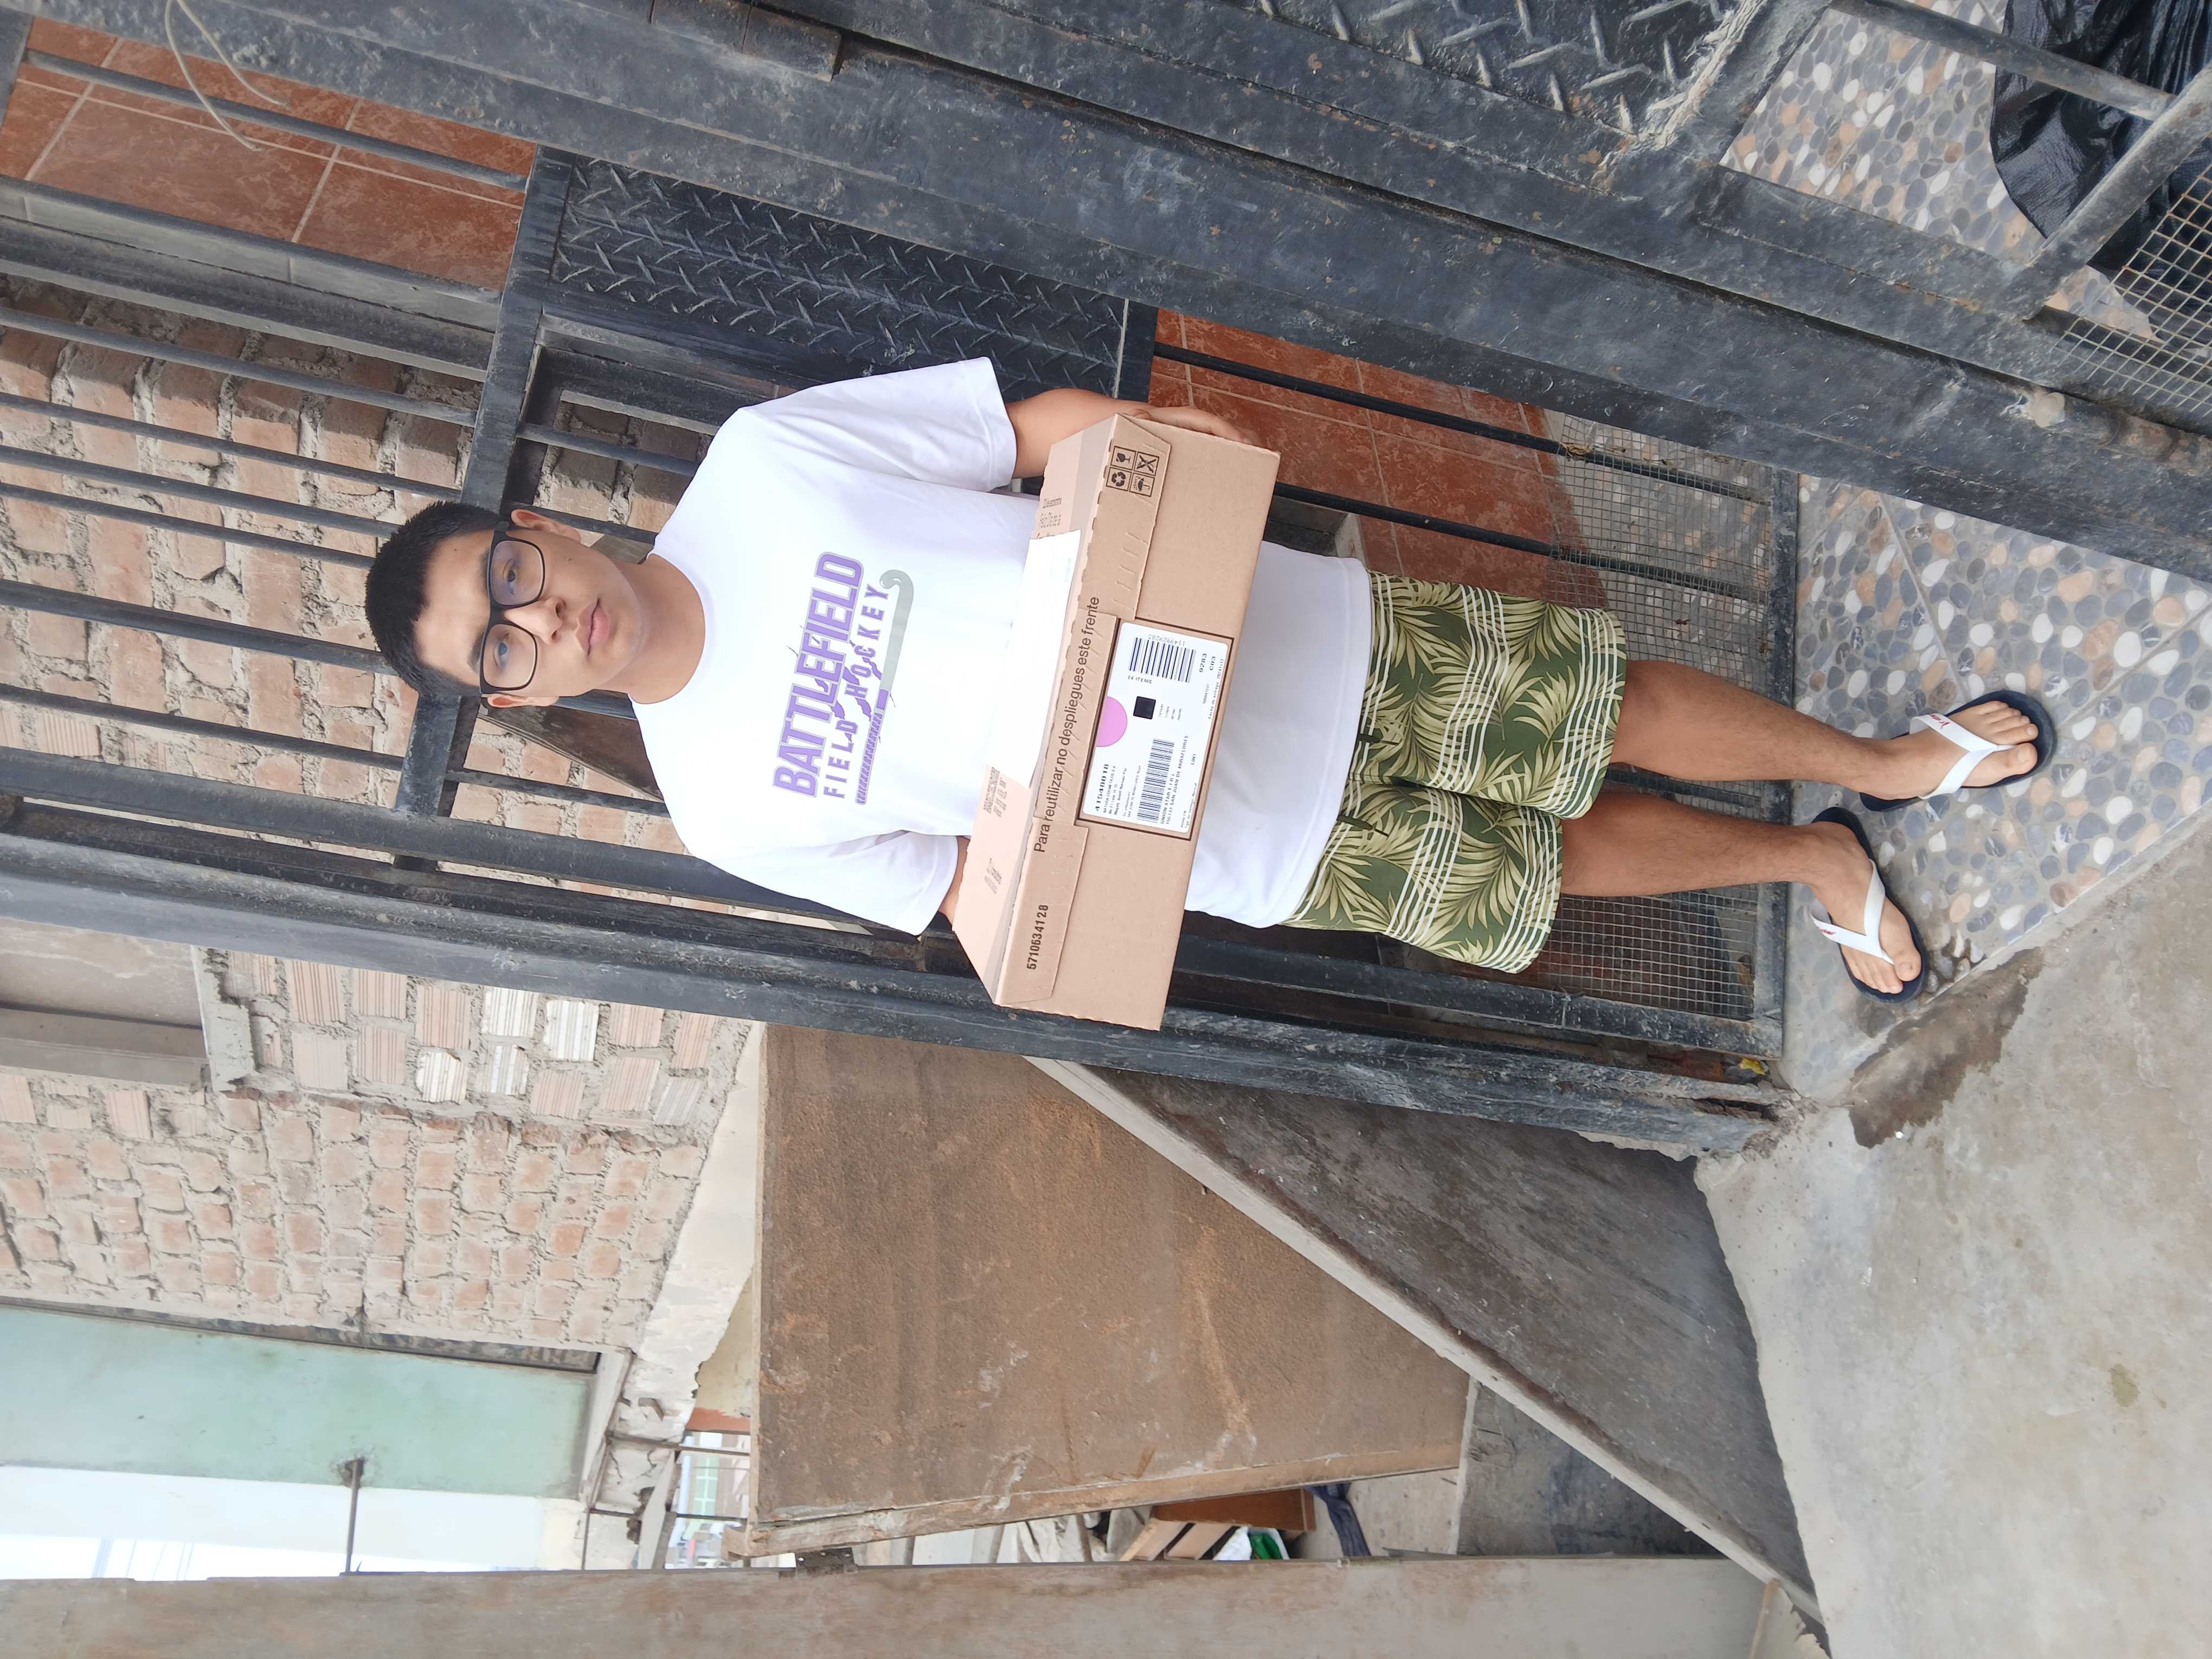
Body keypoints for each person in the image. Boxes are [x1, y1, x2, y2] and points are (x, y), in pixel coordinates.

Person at [366, 361, 2052, 1005]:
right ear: (510, 698)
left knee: (1591, 711)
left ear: (535, 528)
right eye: (500, 648)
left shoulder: (761, 467)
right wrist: (1052, 917)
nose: (545, 619)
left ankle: (1884, 762)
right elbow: (956, 893)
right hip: (1246, 843)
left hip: (1294, 635)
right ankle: (1811, 859)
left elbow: (1014, 432)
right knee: (1552, 863)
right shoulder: (721, 804)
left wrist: (1160, 447)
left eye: (510, 577)